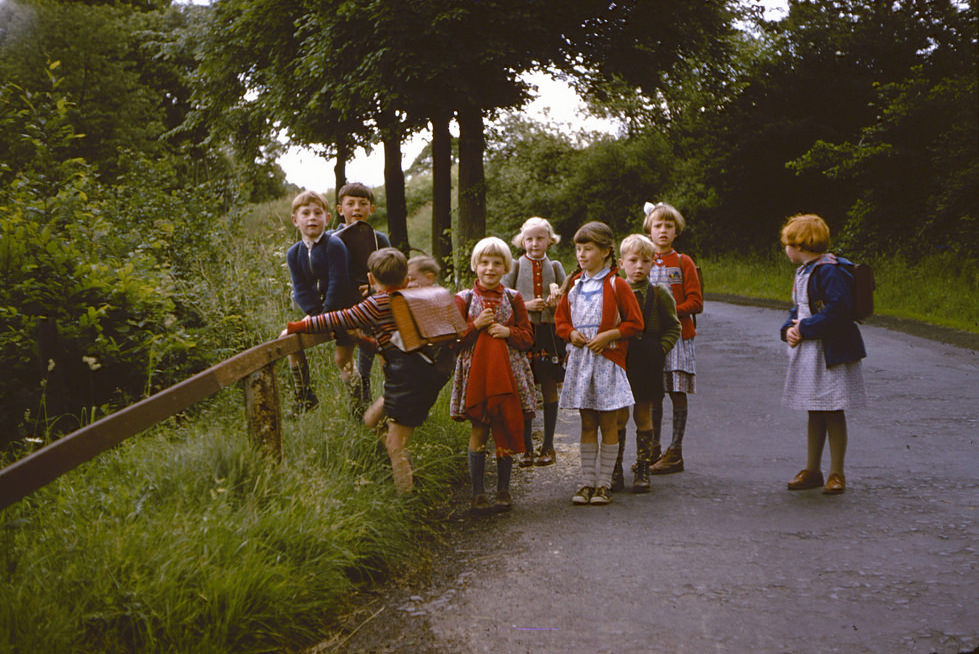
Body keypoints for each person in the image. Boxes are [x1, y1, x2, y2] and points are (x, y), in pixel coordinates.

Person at [285, 247, 451, 494]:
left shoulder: (376, 303)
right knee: (372, 419)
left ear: (371, 279)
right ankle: (408, 467)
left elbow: (337, 318)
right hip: (418, 374)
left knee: (395, 446)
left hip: (406, 379)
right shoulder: (410, 296)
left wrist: (299, 325)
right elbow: (398, 341)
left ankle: (406, 499)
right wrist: (365, 341)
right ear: (405, 278)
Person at [555, 221, 643, 506]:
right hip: (582, 363)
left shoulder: (617, 285)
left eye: (588, 249)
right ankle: (585, 482)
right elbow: (560, 321)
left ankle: (604, 483)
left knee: (609, 422)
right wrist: (570, 333)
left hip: (607, 362)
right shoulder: (575, 286)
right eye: (578, 249)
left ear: (606, 251)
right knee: (587, 421)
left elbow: (635, 323)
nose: (582, 255)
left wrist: (609, 336)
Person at [779, 214, 867, 495]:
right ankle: (812, 469)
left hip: (830, 351)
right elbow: (799, 308)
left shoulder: (828, 270)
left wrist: (804, 328)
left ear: (802, 244)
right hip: (811, 349)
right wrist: (788, 330)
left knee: (832, 409)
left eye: (788, 244)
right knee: (814, 409)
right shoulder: (805, 270)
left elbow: (838, 310)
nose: (786, 249)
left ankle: (836, 472)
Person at [450, 237, 536, 513]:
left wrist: (508, 332)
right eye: (484, 263)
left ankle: (503, 489)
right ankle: (477, 493)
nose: (490, 268)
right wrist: (475, 325)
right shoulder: (463, 299)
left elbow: (528, 337)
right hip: (476, 372)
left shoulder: (514, 297)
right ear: (475, 266)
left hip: (509, 374)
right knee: (479, 428)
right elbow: (452, 339)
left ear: (506, 267)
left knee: (505, 423)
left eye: (497, 263)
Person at [612, 234, 681, 493]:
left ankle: (643, 466)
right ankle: (615, 468)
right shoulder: (616, 289)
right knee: (619, 415)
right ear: (621, 263)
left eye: (645, 261)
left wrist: (661, 349)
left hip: (648, 358)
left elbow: (674, 326)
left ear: (654, 263)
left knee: (643, 414)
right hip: (622, 356)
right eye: (633, 261)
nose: (639, 266)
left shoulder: (659, 292)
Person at [502, 217, 567, 467]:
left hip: (549, 334)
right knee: (524, 387)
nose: (534, 243)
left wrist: (557, 300)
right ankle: (526, 447)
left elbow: (567, 296)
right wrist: (527, 305)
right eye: (529, 239)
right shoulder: (515, 266)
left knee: (549, 385)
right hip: (523, 333)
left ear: (550, 240)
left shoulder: (557, 266)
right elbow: (504, 297)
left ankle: (548, 446)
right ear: (521, 241)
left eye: (540, 238)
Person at [643, 202, 703, 474]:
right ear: (649, 230)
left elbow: (696, 302)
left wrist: (667, 313)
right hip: (650, 338)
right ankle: (652, 448)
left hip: (679, 336)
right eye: (658, 226)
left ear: (676, 231)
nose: (663, 231)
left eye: (669, 226)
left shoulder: (683, 261)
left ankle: (675, 451)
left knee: (677, 391)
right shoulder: (642, 259)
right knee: (653, 392)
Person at [281, 190, 351, 412]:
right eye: (306, 213)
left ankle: (358, 403)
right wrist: (315, 316)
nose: (312, 217)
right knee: (287, 338)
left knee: (343, 360)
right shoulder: (294, 253)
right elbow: (300, 289)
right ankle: (304, 394)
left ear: (327, 218)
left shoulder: (334, 245)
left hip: (342, 310)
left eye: (318, 213)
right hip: (318, 314)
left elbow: (338, 284)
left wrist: (327, 316)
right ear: (295, 220)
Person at [331, 182, 392, 411]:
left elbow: (391, 273)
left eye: (363, 204)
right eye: (351, 204)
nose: (356, 208)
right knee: (344, 358)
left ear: (371, 209)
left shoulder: (379, 240)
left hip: (372, 305)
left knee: (372, 351)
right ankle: (357, 403)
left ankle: (379, 405)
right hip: (343, 307)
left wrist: (375, 290)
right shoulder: (331, 238)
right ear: (340, 209)